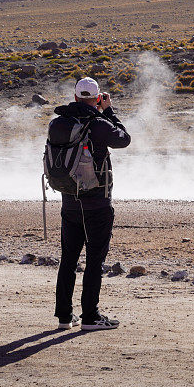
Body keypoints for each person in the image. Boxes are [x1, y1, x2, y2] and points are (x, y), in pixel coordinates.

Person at [52, 77, 131, 331]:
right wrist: (109, 111)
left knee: (68, 259)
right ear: (96, 99)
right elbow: (124, 138)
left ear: (75, 98)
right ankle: (90, 316)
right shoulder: (98, 123)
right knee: (94, 260)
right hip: (96, 202)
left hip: (69, 200)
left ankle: (65, 316)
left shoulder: (58, 123)